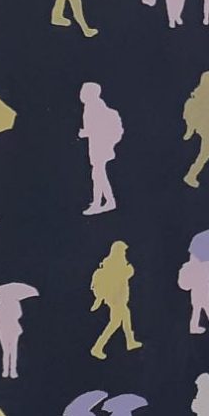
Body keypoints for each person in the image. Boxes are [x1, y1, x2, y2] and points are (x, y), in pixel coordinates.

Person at [78, 82, 124, 214]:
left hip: (99, 147)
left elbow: (94, 128)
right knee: (98, 174)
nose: (81, 94)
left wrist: (83, 133)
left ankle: (100, 202)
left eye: (84, 91)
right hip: (99, 146)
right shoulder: (94, 106)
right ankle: (107, 201)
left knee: (98, 175)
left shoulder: (93, 107)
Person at [89, 240, 140, 359]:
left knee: (124, 318)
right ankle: (97, 347)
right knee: (115, 323)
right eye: (123, 251)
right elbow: (123, 276)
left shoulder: (114, 262)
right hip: (116, 300)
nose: (125, 253)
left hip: (118, 299)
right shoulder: (114, 263)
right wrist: (129, 270)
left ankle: (130, 341)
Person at [0, 283, 38, 379]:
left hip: (6, 329)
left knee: (7, 351)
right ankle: (11, 371)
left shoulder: (0, 307)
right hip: (8, 328)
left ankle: (7, 371)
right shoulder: (13, 304)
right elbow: (18, 315)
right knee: (11, 350)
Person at [177, 250, 209, 339]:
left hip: (197, 291)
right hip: (202, 291)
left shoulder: (196, 259)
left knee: (197, 309)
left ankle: (193, 327)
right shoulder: (204, 261)